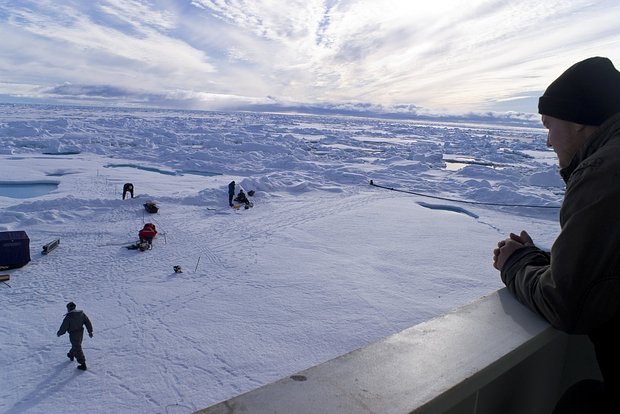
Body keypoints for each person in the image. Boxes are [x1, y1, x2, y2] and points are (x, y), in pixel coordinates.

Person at [493, 57, 620, 413]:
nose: (548, 141)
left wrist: (514, 263)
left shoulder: (605, 171)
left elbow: (569, 303)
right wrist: (542, 260)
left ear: (579, 120)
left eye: (549, 125)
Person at [57, 302, 93, 371]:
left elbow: (64, 327)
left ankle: (83, 364)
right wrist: (90, 331)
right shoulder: (81, 314)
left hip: (73, 334)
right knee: (77, 345)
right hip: (80, 333)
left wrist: (60, 333)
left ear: (68, 308)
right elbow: (87, 322)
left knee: (77, 347)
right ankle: (71, 354)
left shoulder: (68, 317)